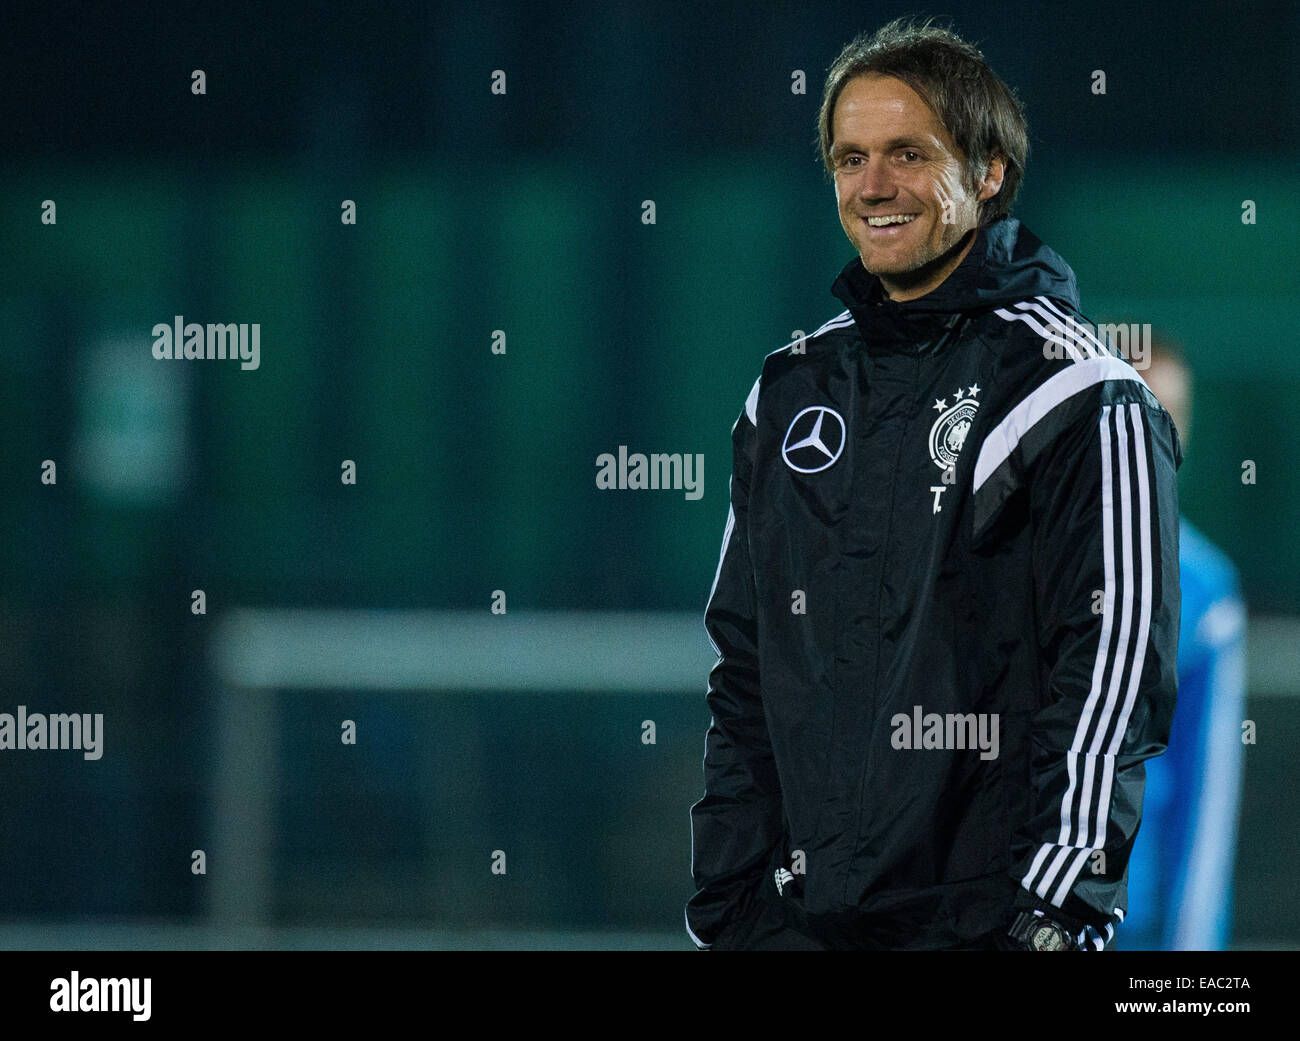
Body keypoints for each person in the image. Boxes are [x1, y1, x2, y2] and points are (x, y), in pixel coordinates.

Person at [686, 17, 1183, 951]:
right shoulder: (788, 391)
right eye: (850, 157)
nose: (872, 185)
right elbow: (744, 667)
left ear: (988, 172)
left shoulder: (1082, 394)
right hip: (800, 925)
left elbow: (1109, 683)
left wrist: (1054, 912)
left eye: (907, 154)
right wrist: (730, 901)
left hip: (987, 928)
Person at [1120, 332, 1246, 950]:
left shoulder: (1204, 591)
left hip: (1129, 927)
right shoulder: (993, 559)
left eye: (1172, 417)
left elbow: (1207, 804)